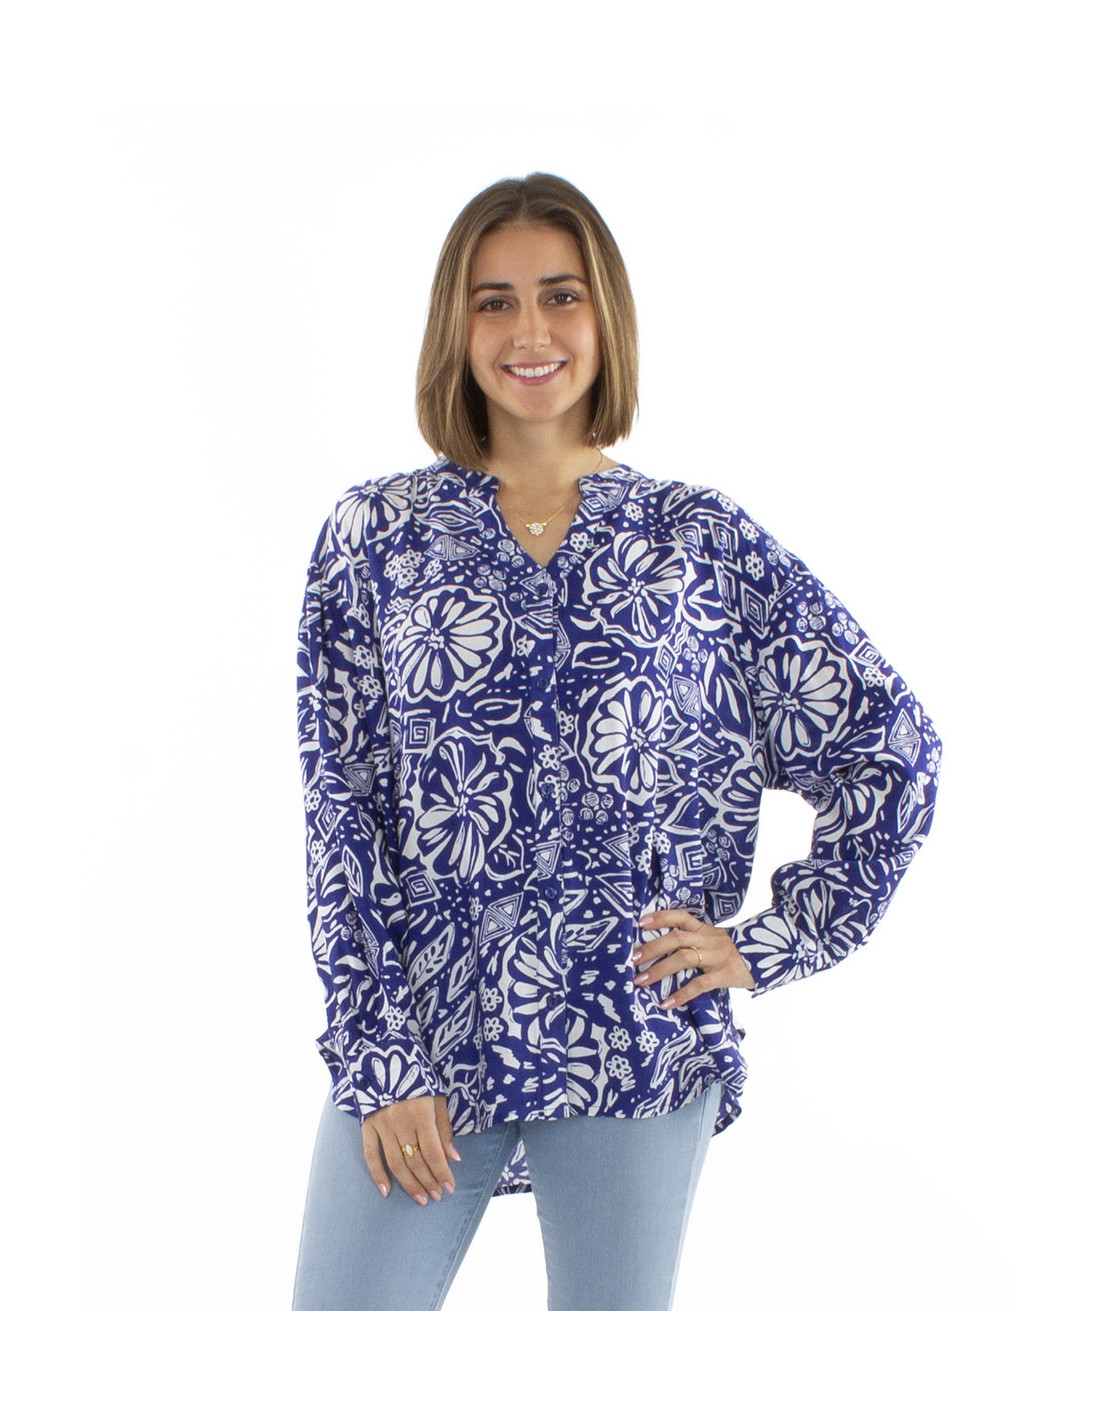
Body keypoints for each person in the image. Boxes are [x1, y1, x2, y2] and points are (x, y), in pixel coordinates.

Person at [290, 172, 942, 1311]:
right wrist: (379, 1058)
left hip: (636, 1033)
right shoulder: (376, 538)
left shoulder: (698, 543)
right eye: (494, 302)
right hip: (426, 1030)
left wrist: (770, 941)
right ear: (456, 326)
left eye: (561, 296)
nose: (530, 332)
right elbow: (342, 812)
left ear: (606, 318)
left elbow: (890, 746)